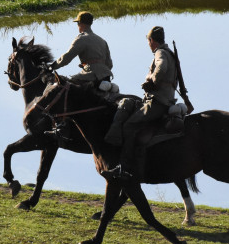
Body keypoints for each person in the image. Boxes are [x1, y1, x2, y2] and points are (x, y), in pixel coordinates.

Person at [102, 26, 177, 180]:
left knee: (129, 126)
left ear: (151, 40)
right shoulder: (169, 52)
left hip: (158, 102)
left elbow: (162, 68)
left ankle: (124, 168)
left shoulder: (160, 52)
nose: (148, 44)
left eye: (148, 41)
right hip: (164, 100)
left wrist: (152, 82)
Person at [50, 11, 113, 84]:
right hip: (106, 76)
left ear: (80, 23)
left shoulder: (81, 39)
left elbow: (67, 58)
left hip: (90, 74)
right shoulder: (102, 40)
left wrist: (52, 66)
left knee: (65, 86)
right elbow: (109, 64)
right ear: (90, 23)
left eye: (77, 23)